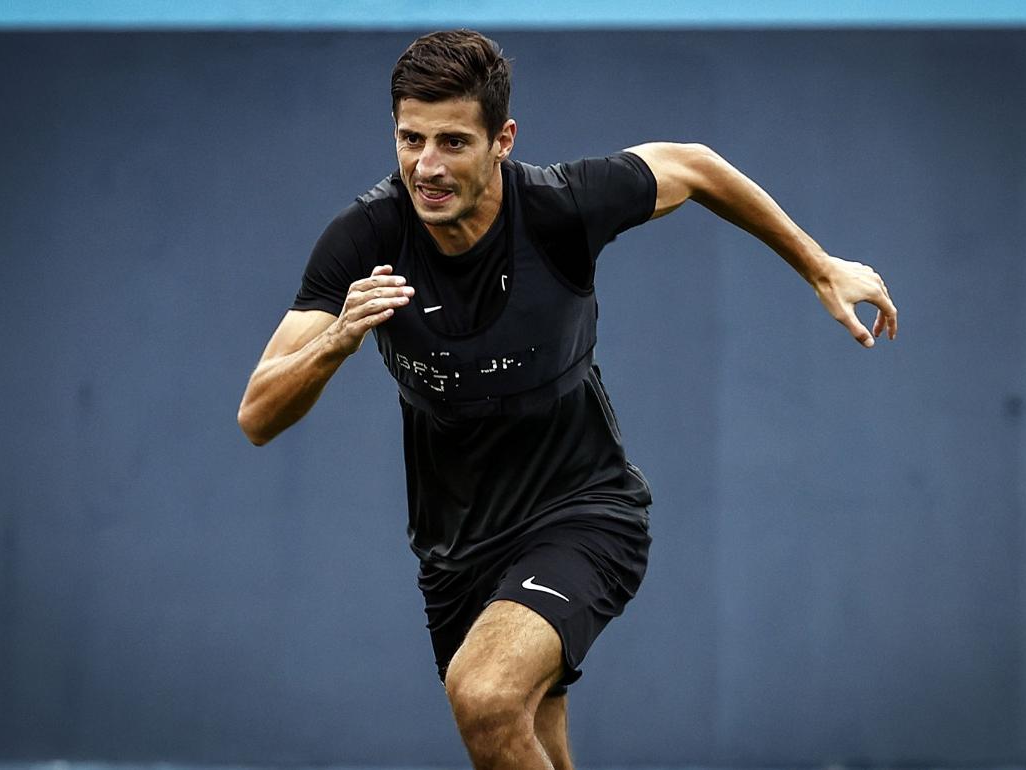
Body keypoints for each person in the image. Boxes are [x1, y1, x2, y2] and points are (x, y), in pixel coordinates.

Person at [238, 28, 897, 770]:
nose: (427, 166)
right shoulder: (366, 238)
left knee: (484, 695)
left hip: (583, 512)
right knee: (522, 733)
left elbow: (695, 166)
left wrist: (818, 266)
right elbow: (258, 416)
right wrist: (336, 342)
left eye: (453, 142)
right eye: (410, 138)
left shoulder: (560, 208)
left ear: (502, 140)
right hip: (455, 553)